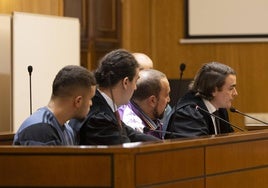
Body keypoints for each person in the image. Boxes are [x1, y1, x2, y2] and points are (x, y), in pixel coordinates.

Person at [78, 49, 160, 145]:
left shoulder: (103, 104)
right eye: (135, 81)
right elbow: (124, 152)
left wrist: (162, 144)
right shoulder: (99, 118)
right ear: (125, 82)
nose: (135, 87)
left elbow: (131, 134)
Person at [13, 65, 96, 145]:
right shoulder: (40, 129)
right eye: (90, 99)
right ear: (78, 101)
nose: (91, 103)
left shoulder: (68, 130)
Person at [165, 62, 238, 139]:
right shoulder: (188, 114)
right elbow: (197, 149)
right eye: (231, 88)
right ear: (214, 90)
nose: (235, 93)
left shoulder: (220, 109)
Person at [120, 69, 170, 139]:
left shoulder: (148, 114)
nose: (169, 99)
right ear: (152, 100)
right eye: (166, 95)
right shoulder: (133, 127)